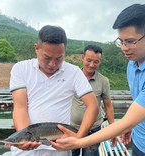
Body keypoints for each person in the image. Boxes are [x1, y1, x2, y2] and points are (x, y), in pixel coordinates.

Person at [52, 4, 145, 156]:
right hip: (139, 142)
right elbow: (138, 107)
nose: (124, 48)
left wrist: (78, 142)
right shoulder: (132, 63)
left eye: (130, 41)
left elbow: (125, 121)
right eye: (120, 41)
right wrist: (130, 126)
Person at [9, 25, 99, 156]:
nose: (52, 64)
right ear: (36, 48)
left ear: (64, 52)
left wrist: (78, 138)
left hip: (60, 149)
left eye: (59, 58)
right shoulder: (21, 69)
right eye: (47, 57)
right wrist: (25, 138)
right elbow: (20, 108)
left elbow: (93, 106)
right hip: (26, 151)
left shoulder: (73, 72)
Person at [71, 45, 117, 156]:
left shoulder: (103, 81)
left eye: (96, 62)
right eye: (89, 60)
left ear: (100, 62)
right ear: (82, 57)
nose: (92, 65)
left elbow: (108, 106)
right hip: (71, 129)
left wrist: (113, 131)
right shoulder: (71, 76)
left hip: (93, 130)